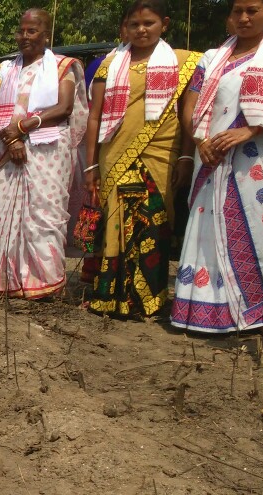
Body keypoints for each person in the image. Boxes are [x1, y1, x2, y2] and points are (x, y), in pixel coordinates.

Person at [84, 0, 201, 319]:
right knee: (115, 225)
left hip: (161, 154)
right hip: (115, 153)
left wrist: (187, 157)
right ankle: (110, 297)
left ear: (164, 23)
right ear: (124, 27)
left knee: (155, 224)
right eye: (134, 24)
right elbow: (94, 117)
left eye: (148, 23)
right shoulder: (109, 64)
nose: (141, 29)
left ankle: (149, 300)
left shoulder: (186, 63)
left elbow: (187, 114)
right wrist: (90, 164)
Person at [0, 9, 88, 299]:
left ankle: (44, 284)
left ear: (46, 34)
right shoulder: (5, 70)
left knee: (45, 215)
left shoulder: (63, 67)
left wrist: (24, 127)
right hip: (10, 148)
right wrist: (13, 137)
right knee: (2, 212)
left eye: (33, 31)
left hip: (48, 153)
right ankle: (0, 279)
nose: (25, 36)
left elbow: (65, 108)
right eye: (21, 31)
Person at [171, 0, 263, 333]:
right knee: (207, 229)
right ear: (228, 17)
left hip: (257, 162)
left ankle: (258, 312)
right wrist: (200, 141)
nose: (244, 18)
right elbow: (190, 105)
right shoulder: (211, 60)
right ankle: (205, 310)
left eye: (252, 10)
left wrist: (250, 129)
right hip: (211, 157)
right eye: (237, 11)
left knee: (259, 230)